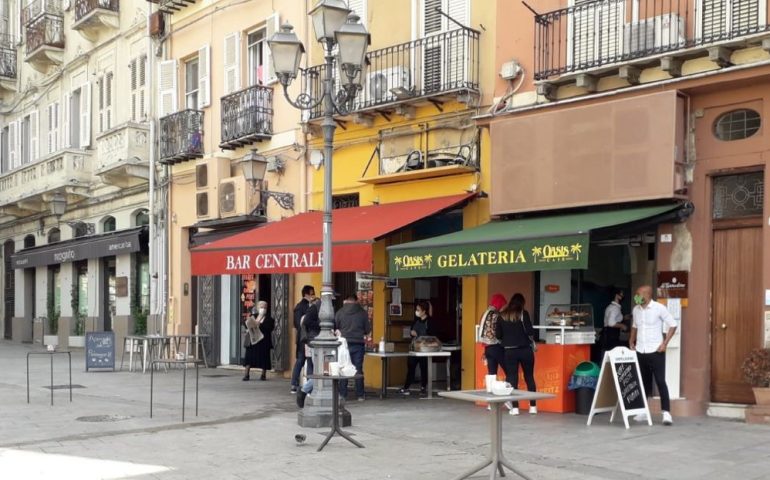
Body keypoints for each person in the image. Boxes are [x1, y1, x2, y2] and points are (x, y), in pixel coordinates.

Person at [629, 285, 678, 426]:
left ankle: (666, 412)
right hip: (640, 350)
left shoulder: (659, 308)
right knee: (643, 382)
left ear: (647, 294)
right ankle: (643, 411)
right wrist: (631, 339)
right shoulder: (636, 309)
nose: (636, 297)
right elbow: (635, 326)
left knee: (660, 381)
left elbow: (673, 324)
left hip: (656, 350)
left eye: (638, 294)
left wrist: (665, 343)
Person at [496, 293, 537, 416]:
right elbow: (530, 331)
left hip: (510, 351)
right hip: (525, 350)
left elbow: (498, 335)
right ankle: (533, 407)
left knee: (512, 378)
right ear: (522, 303)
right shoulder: (524, 314)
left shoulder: (502, 315)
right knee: (529, 377)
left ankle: (515, 408)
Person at [335, 295, 372, 401]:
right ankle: (360, 395)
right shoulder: (362, 313)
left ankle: (343, 394)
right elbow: (367, 330)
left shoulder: (340, 312)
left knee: (343, 368)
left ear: (346, 301)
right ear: (356, 301)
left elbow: (335, 327)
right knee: (358, 369)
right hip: (358, 344)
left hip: (344, 345)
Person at [399, 300, 434, 396]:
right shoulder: (416, 320)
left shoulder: (429, 322)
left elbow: (430, 336)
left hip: (424, 349)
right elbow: (412, 331)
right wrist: (411, 333)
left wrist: (418, 334)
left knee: (424, 368)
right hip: (414, 348)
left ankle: (423, 387)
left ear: (424, 311)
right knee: (411, 367)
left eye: (418, 310)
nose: (417, 311)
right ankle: (406, 387)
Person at [290, 285, 316, 393]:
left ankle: (294, 384)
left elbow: (296, 324)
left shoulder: (298, 306)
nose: (313, 295)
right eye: (312, 293)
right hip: (306, 338)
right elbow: (301, 323)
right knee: (308, 361)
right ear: (306, 294)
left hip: (301, 338)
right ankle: (307, 385)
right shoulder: (307, 307)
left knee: (300, 361)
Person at [242, 301, 275, 381]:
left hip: (263, 341)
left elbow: (269, 328)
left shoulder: (269, 319)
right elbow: (246, 324)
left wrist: (260, 325)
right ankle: (246, 374)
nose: (263, 309)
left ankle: (263, 374)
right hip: (253, 341)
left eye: (264, 307)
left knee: (264, 358)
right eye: (261, 307)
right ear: (257, 308)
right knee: (249, 357)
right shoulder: (253, 316)